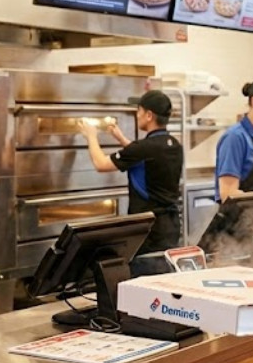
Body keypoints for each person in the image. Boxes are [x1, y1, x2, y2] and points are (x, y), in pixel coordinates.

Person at [78, 90, 183, 273]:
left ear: (149, 115)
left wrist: (91, 136)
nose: (137, 114)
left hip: (149, 231)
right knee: (164, 276)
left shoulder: (144, 149)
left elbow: (101, 164)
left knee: (146, 279)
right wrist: (121, 138)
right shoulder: (173, 145)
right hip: (171, 226)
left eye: (139, 110)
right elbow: (145, 157)